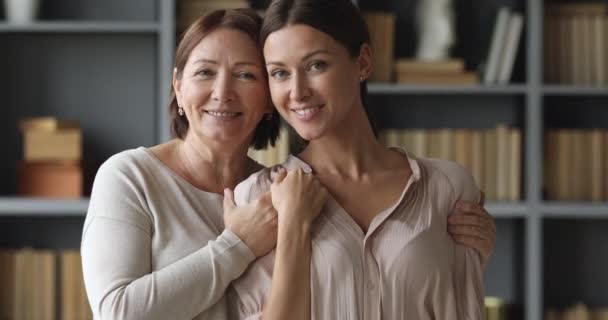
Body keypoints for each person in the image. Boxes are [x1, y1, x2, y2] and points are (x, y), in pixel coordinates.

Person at [81, 7, 495, 320]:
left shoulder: (271, 188)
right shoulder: (136, 177)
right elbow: (116, 312)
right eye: (204, 72)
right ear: (177, 84)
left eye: (247, 75)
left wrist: (454, 251)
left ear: (265, 101)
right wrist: (240, 244)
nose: (222, 93)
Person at [231, 0, 492, 319]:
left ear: (363, 62)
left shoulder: (447, 188)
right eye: (280, 73)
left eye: (316, 66)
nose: (297, 91)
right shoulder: (257, 198)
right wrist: (293, 225)